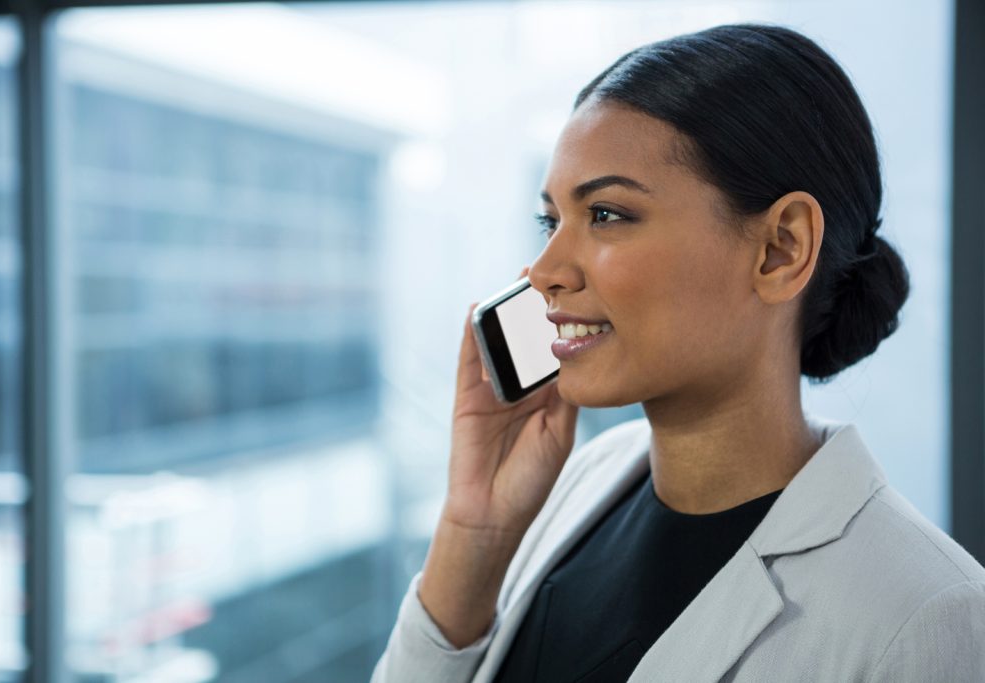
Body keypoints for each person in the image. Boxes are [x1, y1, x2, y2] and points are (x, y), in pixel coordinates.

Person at [370, 22, 985, 683]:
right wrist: (474, 538)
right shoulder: (583, 481)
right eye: (551, 220)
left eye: (605, 213)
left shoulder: (929, 617)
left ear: (782, 248)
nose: (543, 269)